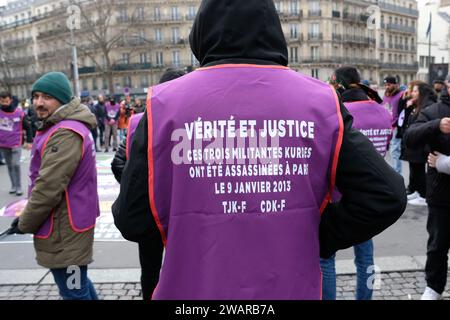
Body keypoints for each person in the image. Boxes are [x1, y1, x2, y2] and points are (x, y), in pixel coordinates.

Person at [113, 0, 406, 300]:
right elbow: (386, 194)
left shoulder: (163, 104)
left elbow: (132, 220)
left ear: (201, 33)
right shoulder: (321, 103)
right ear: (274, 31)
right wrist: (316, 235)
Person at [6, 72, 100, 300]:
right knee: (78, 285)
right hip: (66, 225)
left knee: (74, 290)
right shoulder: (62, 127)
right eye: (36, 96)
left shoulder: (65, 133)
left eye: (47, 97)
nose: (39, 102)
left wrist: (26, 221)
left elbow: (48, 187)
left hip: (65, 229)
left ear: (62, 99)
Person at [111, 68, 185, 300]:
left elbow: (118, 162)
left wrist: (137, 185)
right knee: (180, 264)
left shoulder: (136, 122)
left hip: (147, 209)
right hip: (176, 211)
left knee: (150, 267)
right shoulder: (187, 121)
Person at [322, 66, 392, 300]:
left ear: (338, 84)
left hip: (336, 197)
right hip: (367, 199)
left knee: (325, 258)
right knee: (366, 258)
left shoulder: (339, 112)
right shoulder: (383, 111)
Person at [403, 79, 450, 300]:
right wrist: (436, 125)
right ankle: (434, 287)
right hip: (441, 194)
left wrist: (445, 164)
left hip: (441, 179)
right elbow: (410, 137)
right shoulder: (435, 111)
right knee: (437, 245)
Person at [401, 82, 437, 206]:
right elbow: (406, 122)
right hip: (413, 143)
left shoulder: (428, 106)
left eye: (415, 91)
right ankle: (416, 190)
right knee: (414, 169)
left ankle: (423, 194)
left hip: (421, 145)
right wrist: (408, 107)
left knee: (419, 170)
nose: (412, 93)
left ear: (422, 93)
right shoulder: (416, 105)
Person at [0, 91, 33, 196]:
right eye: (2, 101)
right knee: (9, 166)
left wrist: (29, 141)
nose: (4, 103)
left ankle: (19, 186)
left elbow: (28, 127)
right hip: (3, 144)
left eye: (6, 101)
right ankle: (13, 186)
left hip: (16, 143)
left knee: (16, 164)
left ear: (10, 100)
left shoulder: (20, 113)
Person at [383, 76, 405, 175]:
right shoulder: (385, 96)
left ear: (395, 84)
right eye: (386, 85)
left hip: (395, 126)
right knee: (386, 151)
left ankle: (398, 174)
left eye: (389, 84)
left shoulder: (401, 95)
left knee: (394, 151)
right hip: (386, 126)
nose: (387, 86)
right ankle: (390, 174)